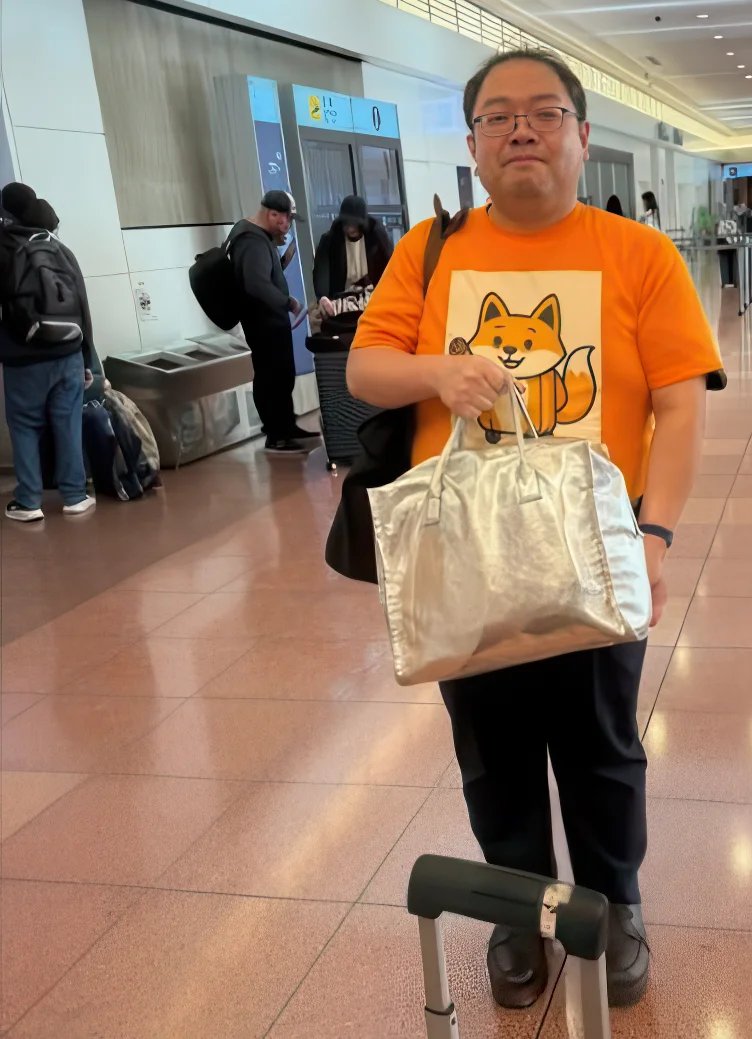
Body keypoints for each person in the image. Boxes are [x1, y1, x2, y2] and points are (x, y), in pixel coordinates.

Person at [346, 48, 721, 1010]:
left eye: (546, 113)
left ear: (583, 136)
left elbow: (681, 406)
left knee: (601, 742)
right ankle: (517, 906)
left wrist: (658, 537)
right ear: (471, 141)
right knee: (493, 746)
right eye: (498, 115)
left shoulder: (639, 254)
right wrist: (438, 370)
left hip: (598, 543)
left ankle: (614, 902)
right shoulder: (429, 250)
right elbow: (363, 371)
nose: (522, 128)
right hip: (467, 548)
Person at [0, 182, 97, 521]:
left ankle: (28, 502)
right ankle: (75, 495)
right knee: (67, 422)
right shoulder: (57, 247)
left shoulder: (4, 247)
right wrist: (87, 360)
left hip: (23, 356)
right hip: (69, 349)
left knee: (25, 425)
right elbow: (83, 305)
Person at [227, 190, 313, 453]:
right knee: (271, 377)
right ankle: (276, 434)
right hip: (263, 322)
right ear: (273, 214)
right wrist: (288, 302)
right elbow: (255, 284)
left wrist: (282, 261)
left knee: (282, 374)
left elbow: (263, 275)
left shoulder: (258, 237)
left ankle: (287, 425)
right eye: (286, 219)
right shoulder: (251, 241)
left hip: (270, 321)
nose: (287, 225)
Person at [312, 194, 392, 301]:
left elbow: (391, 264)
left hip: (374, 297)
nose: (350, 228)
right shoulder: (330, 240)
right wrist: (323, 298)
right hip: (341, 298)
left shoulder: (377, 236)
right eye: (346, 223)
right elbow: (321, 273)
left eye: (354, 224)